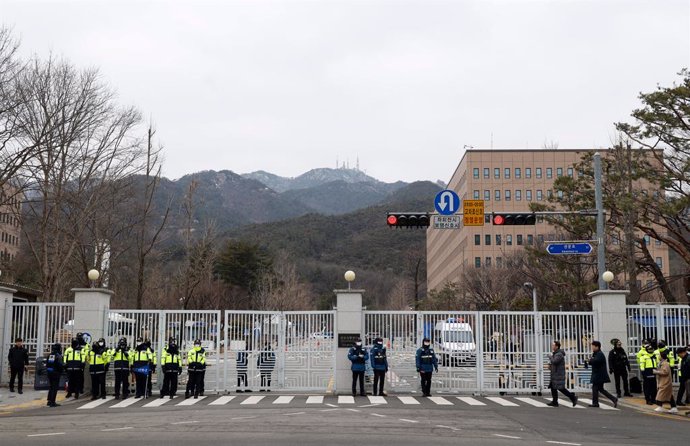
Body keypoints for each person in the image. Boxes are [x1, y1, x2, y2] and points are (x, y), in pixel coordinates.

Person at [547, 340, 578, 407]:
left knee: (561, 388)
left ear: (557, 346)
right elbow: (554, 363)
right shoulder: (555, 353)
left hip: (558, 374)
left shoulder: (559, 354)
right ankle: (555, 402)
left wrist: (550, 357)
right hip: (555, 374)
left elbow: (555, 361)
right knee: (553, 387)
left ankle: (573, 397)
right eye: (552, 345)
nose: (552, 346)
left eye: (553, 345)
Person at [588, 341, 618, 408]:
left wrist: (590, 360)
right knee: (600, 389)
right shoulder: (596, 353)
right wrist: (590, 361)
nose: (592, 348)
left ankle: (595, 403)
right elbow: (593, 361)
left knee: (595, 388)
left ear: (597, 347)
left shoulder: (599, 354)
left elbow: (596, 361)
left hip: (599, 375)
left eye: (593, 346)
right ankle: (613, 399)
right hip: (598, 374)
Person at [46, 343, 63, 407]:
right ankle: (53, 402)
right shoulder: (58, 355)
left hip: (50, 372)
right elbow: (60, 365)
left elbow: (47, 364)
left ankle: (49, 401)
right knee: (55, 387)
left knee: (51, 386)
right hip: (56, 373)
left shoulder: (50, 355)